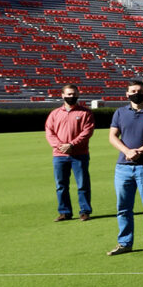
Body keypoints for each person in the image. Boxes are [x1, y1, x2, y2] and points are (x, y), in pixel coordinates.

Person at [106, 80, 143, 256]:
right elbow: (112, 136)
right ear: (127, 94)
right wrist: (127, 151)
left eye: (139, 90)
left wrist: (139, 151)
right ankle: (125, 243)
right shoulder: (120, 112)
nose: (136, 93)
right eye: (132, 91)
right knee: (123, 208)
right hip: (123, 168)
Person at [45, 83, 94, 222]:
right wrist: (60, 146)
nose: (71, 96)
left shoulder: (85, 113)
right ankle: (64, 212)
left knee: (83, 184)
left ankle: (84, 211)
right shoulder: (55, 114)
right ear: (62, 95)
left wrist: (72, 144)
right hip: (59, 155)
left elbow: (87, 132)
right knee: (61, 185)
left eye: (74, 94)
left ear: (78, 95)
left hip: (80, 154)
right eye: (69, 94)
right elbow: (49, 132)